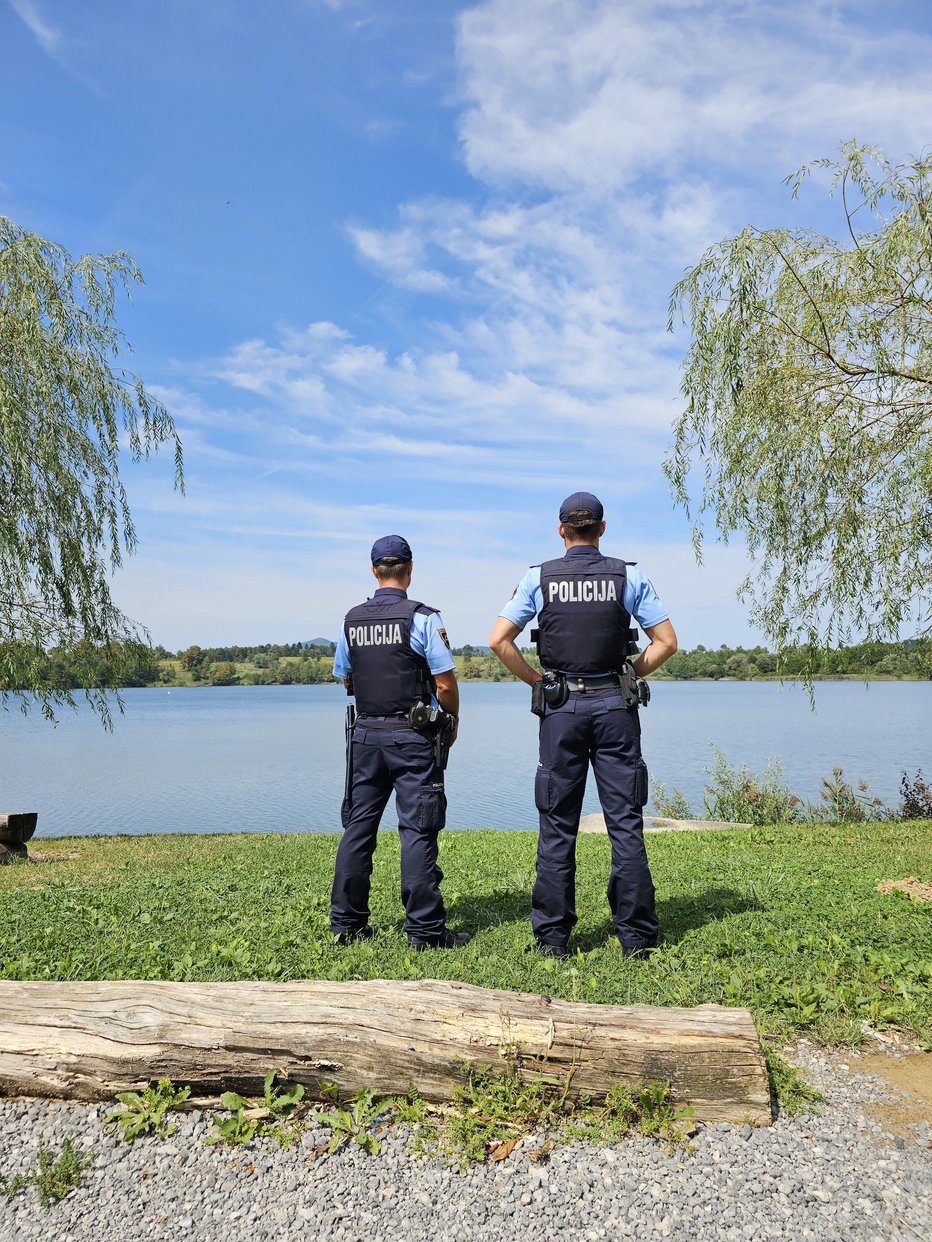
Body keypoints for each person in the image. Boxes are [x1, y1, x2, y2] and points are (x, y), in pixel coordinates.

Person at [489, 492, 677, 960]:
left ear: (561, 531)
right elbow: (666, 642)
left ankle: (552, 940)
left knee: (556, 826)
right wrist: (630, 671)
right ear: (602, 529)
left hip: (561, 710)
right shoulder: (628, 575)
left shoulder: (539, 578)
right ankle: (636, 939)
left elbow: (498, 640)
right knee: (625, 824)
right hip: (616, 708)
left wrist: (538, 679)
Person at [330, 534, 470, 950]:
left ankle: (346, 926)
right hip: (413, 736)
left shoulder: (352, 620)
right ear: (409, 570)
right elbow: (444, 683)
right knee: (418, 830)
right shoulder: (423, 618)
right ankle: (425, 932)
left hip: (366, 737)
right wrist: (453, 722)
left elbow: (345, 678)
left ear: (374, 571)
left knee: (358, 829)